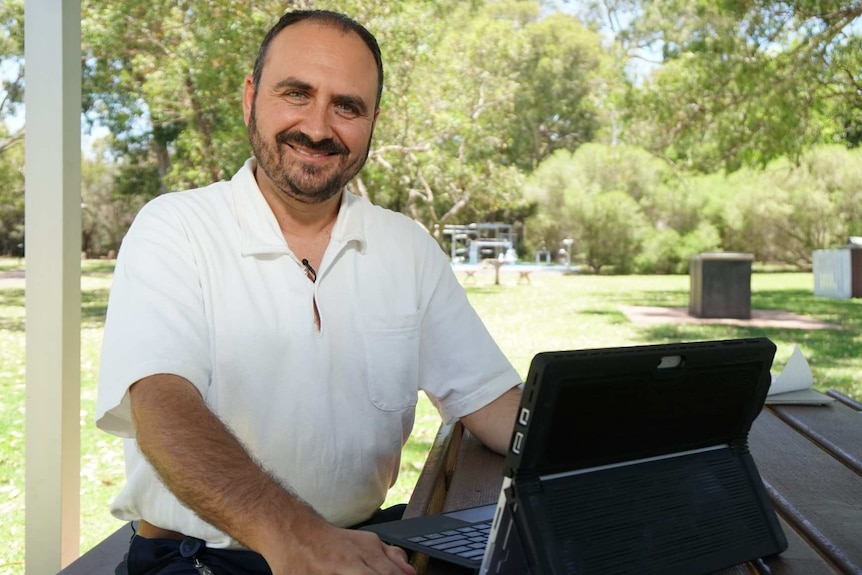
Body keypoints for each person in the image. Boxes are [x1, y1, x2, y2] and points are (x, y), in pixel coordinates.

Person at [96, 9, 522, 575]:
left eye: (347, 106)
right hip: (199, 559)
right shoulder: (176, 227)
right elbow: (162, 410)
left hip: (359, 544)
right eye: (296, 94)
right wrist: (300, 539)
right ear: (251, 96)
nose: (319, 128)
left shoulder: (405, 247)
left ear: (372, 120)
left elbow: (493, 405)